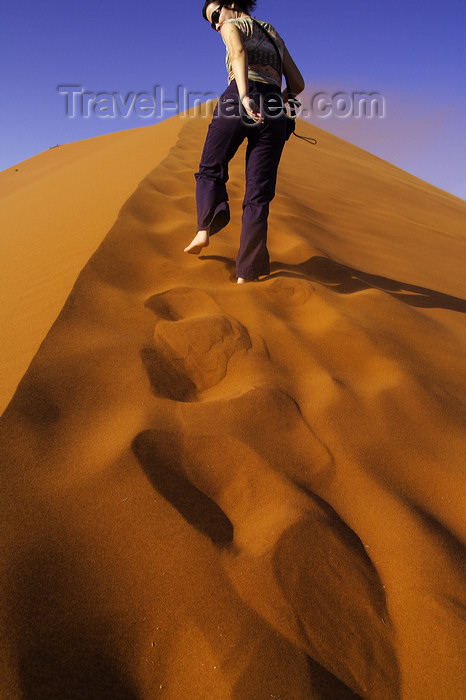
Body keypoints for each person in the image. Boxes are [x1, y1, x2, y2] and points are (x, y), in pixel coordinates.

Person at [184, 1, 305, 283]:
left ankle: (205, 226)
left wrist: (244, 95)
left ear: (232, 4)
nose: (215, 24)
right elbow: (298, 84)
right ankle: (247, 273)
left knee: (210, 166)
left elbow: (238, 52)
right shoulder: (272, 32)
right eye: (210, 22)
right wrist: (277, 102)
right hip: (274, 107)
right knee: (258, 196)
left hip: (238, 99)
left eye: (215, 15)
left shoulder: (231, 25)